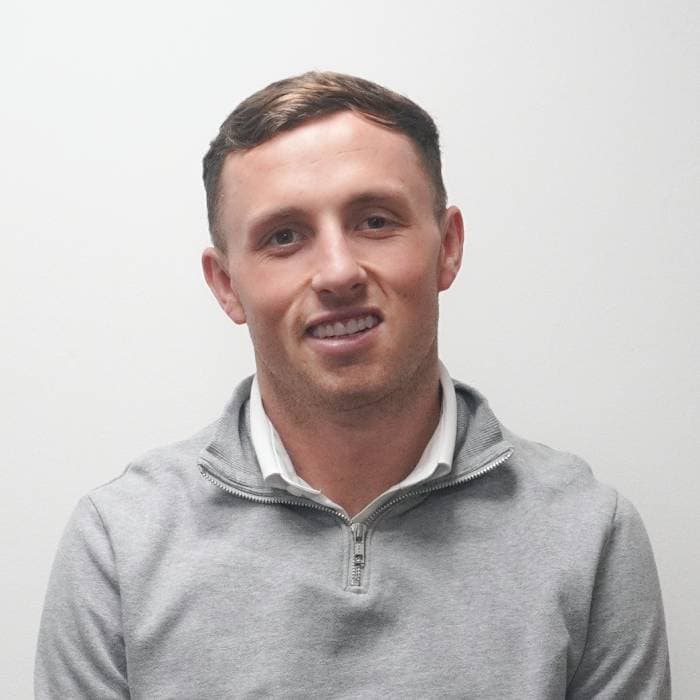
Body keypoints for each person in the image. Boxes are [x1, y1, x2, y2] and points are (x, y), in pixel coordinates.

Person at [35, 71, 671, 698]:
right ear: (227, 284)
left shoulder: (589, 534)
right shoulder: (119, 541)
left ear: (447, 246)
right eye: (284, 237)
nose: (337, 272)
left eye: (374, 221)